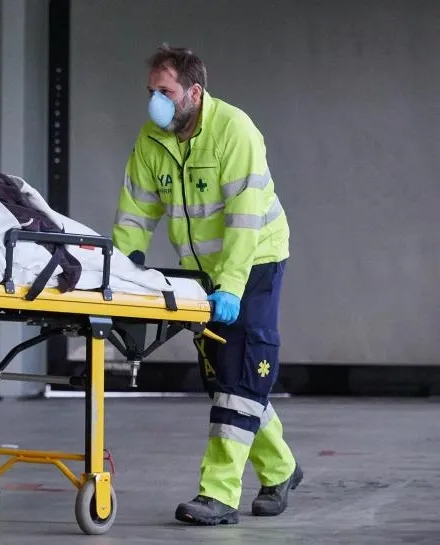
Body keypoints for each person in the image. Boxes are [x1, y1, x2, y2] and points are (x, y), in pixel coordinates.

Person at [111, 44, 302, 525]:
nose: (156, 101)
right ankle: (281, 469)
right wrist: (120, 271)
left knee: (240, 372)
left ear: (194, 92)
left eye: (166, 91)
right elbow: (136, 210)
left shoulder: (234, 131)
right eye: (151, 91)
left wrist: (233, 287)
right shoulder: (152, 139)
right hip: (202, 271)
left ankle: (218, 495)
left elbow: (244, 220)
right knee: (224, 378)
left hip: (255, 259)